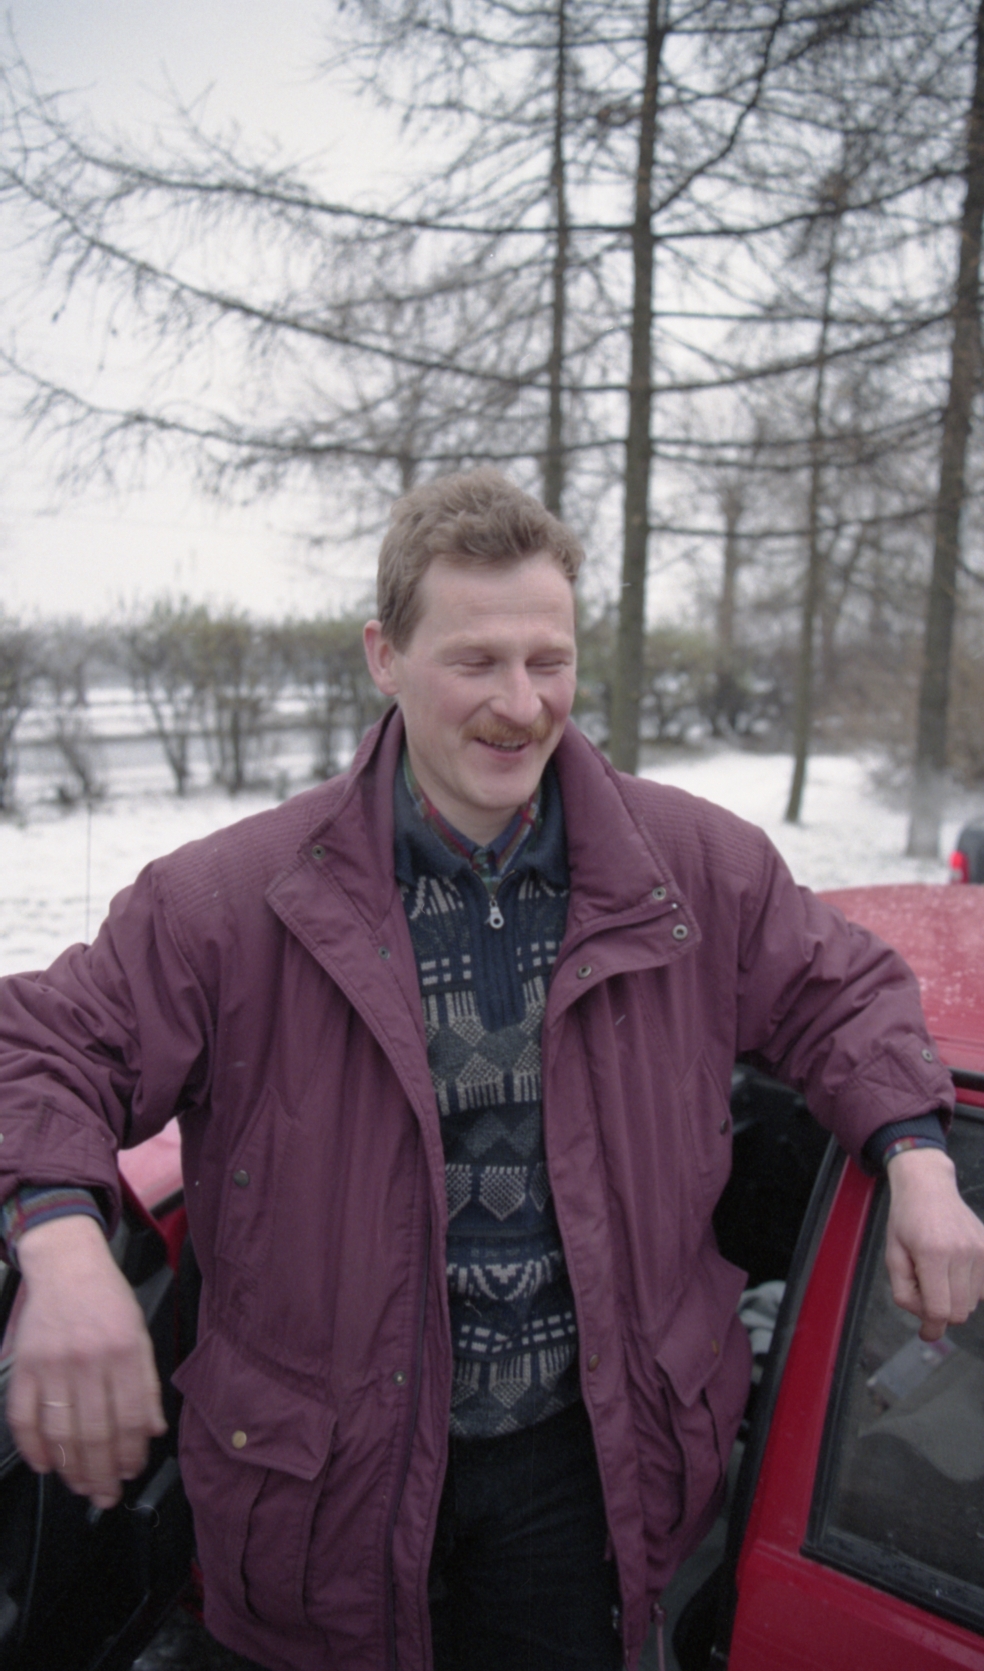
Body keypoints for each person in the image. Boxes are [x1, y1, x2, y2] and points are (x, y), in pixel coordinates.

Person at [1, 468, 983, 1671]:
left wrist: (917, 1156)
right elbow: (41, 1044)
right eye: (476, 661)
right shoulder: (230, 901)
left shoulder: (695, 868)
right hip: (326, 1492)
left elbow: (849, 993)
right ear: (385, 655)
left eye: (548, 660)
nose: (522, 704)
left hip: (583, 1476)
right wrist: (62, 1249)